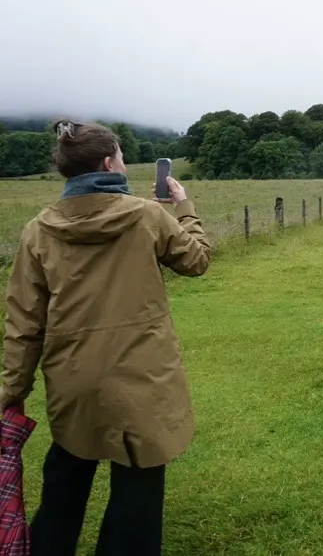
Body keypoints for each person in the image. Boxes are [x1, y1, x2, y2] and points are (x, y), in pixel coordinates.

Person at [2, 120, 211, 556]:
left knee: (65, 481)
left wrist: (10, 393)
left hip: (72, 380)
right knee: (138, 489)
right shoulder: (147, 215)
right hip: (142, 379)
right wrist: (184, 206)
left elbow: (23, 325)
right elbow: (196, 261)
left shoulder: (38, 231)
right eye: (120, 154)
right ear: (108, 162)